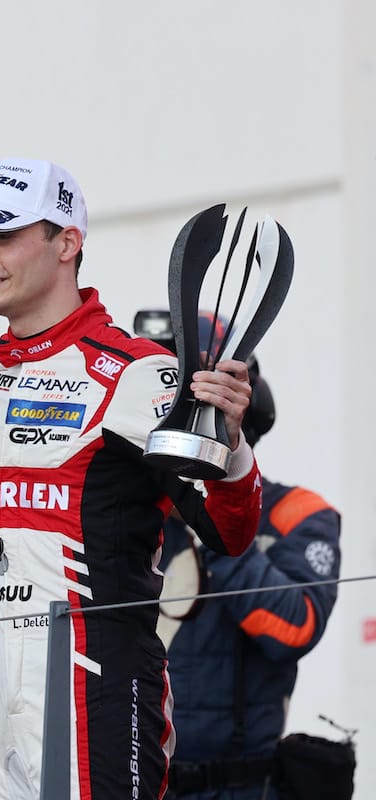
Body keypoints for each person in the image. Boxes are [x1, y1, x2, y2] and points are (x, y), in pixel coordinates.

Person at [0, 158, 264, 800]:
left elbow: (230, 532)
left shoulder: (140, 372)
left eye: (0, 237)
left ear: (67, 242)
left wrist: (234, 444)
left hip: (94, 678)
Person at [137, 309, 342, 799]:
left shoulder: (299, 512)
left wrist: (217, 517)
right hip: (135, 778)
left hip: (242, 785)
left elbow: (295, 629)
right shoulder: (133, 513)